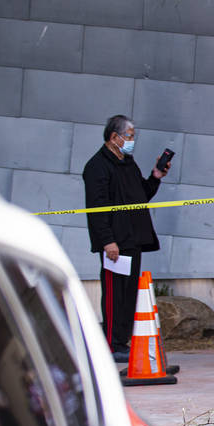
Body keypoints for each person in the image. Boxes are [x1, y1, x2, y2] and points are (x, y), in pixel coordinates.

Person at [83, 115, 170, 362]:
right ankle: (112, 343)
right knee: (114, 294)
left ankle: (122, 340)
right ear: (114, 137)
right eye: (129, 136)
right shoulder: (97, 167)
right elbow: (96, 208)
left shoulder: (128, 163)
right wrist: (107, 241)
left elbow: (140, 195)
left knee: (129, 293)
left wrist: (155, 177)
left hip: (133, 239)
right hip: (115, 243)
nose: (132, 141)